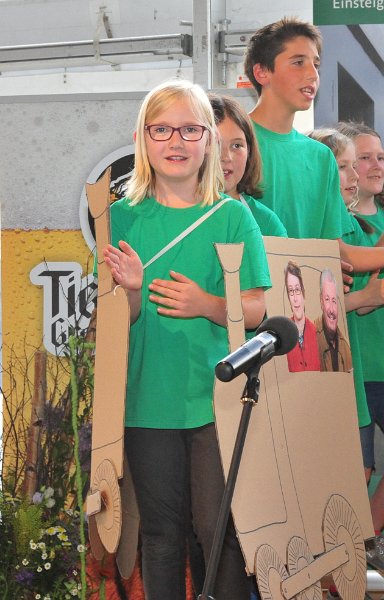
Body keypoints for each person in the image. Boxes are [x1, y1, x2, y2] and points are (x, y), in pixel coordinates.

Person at [101, 79, 271, 600]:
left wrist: (207, 305)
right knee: (160, 535)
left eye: (190, 129)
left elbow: (259, 308)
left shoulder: (233, 215)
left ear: (209, 142)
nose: (176, 141)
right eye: (162, 129)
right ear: (142, 139)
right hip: (146, 401)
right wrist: (129, 291)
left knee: (219, 533)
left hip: (216, 401)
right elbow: (116, 321)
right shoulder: (121, 218)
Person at [243, 16, 384, 276]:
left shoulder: (321, 157)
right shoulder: (236, 146)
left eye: (316, 64)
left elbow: (338, 251)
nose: (312, 74)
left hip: (305, 311)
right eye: (298, 62)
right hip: (250, 305)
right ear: (262, 72)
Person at [337, 121, 384, 574]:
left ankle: (365, 546)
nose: (369, 169)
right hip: (357, 367)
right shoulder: (341, 226)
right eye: (356, 161)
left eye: (376, 158)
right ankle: (346, 557)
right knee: (356, 469)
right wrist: (366, 298)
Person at [208, 92, 287, 237]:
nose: (226, 157)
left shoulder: (266, 222)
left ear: (249, 151)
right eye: (215, 146)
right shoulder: (177, 214)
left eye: (237, 145)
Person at [283, 260, 320, 372]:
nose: (295, 298)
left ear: (303, 293)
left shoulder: (317, 333)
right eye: (291, 291)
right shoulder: (283, 335)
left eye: (297, 290)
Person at [314, 268, 352, 372]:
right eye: (327, 300)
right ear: (321, 302)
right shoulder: (311, 338)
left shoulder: (346, 348)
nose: (331, 309)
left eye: (334, 301)